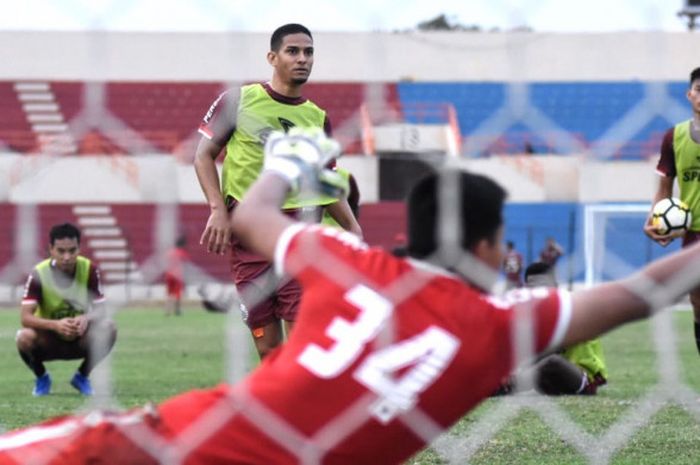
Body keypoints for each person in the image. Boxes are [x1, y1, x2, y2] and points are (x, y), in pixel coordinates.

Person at [2, 129, 700, 464]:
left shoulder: (346, 261)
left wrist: (288, 162)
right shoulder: (501, 322)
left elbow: (249, 217)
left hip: (171, 440)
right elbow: (642, 291)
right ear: (490, 247)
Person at [193, 23, 362, 359]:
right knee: (267, 346)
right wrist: (216, 209)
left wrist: (353, 228)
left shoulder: (316, 117)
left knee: (302, 335)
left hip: (296, 234)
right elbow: (203, 155)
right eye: (293, 51)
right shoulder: (239, 100)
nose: (303, 59)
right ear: (272, 57)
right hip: (248, 234)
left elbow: (326, 181)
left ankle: (306, 405)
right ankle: (281, 404)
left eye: (309, 52)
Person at [15, 223, 116, 397]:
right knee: (23, 337)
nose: (67, 257)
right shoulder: (39, 274)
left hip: (79, 338)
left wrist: (87, 317)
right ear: (51, 249)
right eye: (61, 251)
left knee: (109, 327)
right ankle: (42, 377)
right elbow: (25, 318)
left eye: (72, 250)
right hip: (48, 340)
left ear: (79, 248)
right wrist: (55, 325)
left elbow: (102, 310)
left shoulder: (89, 269)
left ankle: (81, 377)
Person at [645, 66, 700, 357]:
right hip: (694, 232)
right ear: (690, 94)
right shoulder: (674, 136)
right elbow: (664, 187)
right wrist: (653, 218)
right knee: (699, 303)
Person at [502, 262, 608, 396]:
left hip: (583, 377)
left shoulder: (572, 308)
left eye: (544, 287)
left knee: (553, 361)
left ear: (556, 287)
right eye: (533, 289)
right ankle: (503, 384)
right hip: (549, 378)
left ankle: (505, 387)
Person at [164, 234, 189, 317]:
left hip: (168, 274)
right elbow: (185, 264)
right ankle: (177, 310)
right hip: (177, 274)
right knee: (177, 293)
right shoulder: (182, 252)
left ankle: (167, 310)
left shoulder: (169, 252)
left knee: (169, 293)